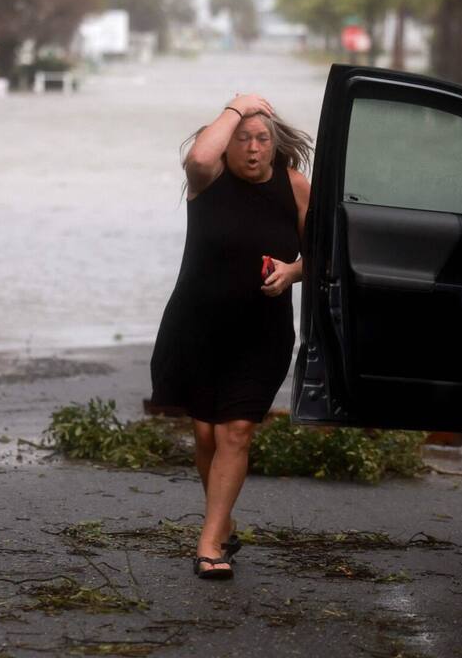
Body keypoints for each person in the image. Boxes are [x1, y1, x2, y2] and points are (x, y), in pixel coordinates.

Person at [149, 93, 312, 580]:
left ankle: (210, 542)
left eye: (263, 139)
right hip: (196, 326)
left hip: (261, 333)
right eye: (243, 139)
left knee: (235, 431)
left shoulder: (295, 186)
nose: (253, 148)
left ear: (275, 143)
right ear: (228, 143)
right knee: (205, 434)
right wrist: (237, 106)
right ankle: (223, 520)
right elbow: (198, 155)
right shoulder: (208, 180)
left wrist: (294, 271)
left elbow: (324, 253)